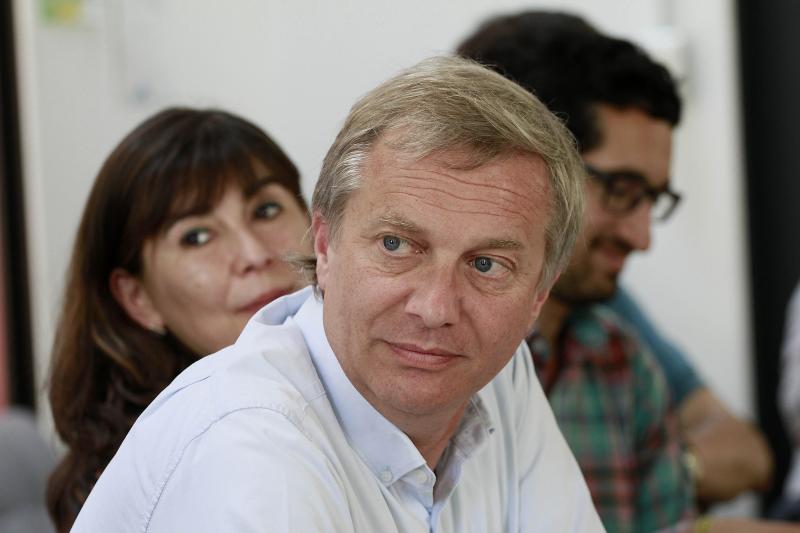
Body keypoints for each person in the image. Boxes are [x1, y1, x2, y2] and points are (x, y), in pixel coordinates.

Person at [70, 56, 604, 532]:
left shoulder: (496, 370)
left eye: (487, 265)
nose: (436, 309)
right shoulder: (249, 447)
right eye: (396, 245)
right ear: (324, 245)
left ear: (540, 292)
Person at [458, 10, 793, 533]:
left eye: (652, 199)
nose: (642, 238)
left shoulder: (617, 356)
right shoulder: (425, 344)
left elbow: (744, 457)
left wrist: (662, 475)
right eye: (621, 191)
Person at [46, 107, 311, 532]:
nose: (253, 254)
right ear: (138, 299)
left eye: (265, 210)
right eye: (197, 236)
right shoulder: (155, 481)